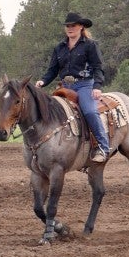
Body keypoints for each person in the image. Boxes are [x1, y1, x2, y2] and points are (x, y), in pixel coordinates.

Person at [35, 12, 109, 163]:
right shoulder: (59, 48)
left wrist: (97, 86)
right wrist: (43, 81)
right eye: (67, 26)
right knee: (48, 110)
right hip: (64, 86)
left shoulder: (90, 45)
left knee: (89, 111)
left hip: (84, 85)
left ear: (81, 27)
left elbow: (98, 68)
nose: (70, 28)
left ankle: (103, 146)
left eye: (73, 26)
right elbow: (52, 70)